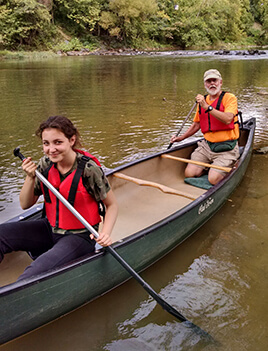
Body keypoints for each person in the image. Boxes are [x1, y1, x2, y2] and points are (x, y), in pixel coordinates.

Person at [0, 116, 118, 281]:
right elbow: (25, 204)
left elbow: (111, 205)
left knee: (33, 274)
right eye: (46, 143)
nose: (51, 149)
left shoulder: (89, 170)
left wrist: (105, 234)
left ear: (71, 140)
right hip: (50, 229)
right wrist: (30, 177)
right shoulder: (45, 165)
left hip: (79, 236)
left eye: (57, 142)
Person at [170, 69, 240, 185]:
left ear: (220, 82)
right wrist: (181, 138)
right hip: (207, 146)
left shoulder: (229, 98)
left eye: (215, 80)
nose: (212, 83)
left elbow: (228, 119)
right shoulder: (203, 101)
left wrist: (207, 107)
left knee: (213, 179)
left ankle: (227, 166)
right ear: (205, 84)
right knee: (189, 173)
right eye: (209, 81)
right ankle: (212, 167)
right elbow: (196, 124)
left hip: (227, 148)